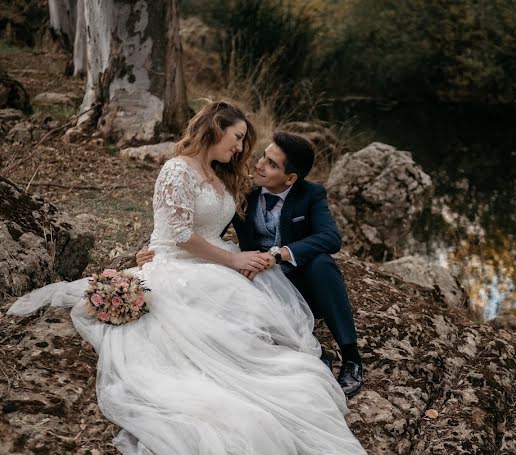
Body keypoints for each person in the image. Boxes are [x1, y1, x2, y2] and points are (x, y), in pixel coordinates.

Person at [7, 100, 373, 455]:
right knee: (214, 333)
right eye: (238, 139)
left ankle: (339, 354)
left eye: (252, 149)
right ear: (216, 129)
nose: (243, 152)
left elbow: (193, 225)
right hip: (185, 268)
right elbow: (177, 230)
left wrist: (220, 251)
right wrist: (165, 248)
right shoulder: (177, 169)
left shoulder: (221, 176)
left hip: (223, 262)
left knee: (265, 307)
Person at [136, 131, 364, 397]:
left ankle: (351, 357)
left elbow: (330, 237)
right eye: (263, 157)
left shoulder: (311, 194)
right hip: (256, 283)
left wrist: (279, 255)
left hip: (299, 284)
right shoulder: (244, 190)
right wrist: (156, 249)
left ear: (290, 178)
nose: (259, 165)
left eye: (271, 164)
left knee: (322, 264)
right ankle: (298, 351)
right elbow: (205, 228)